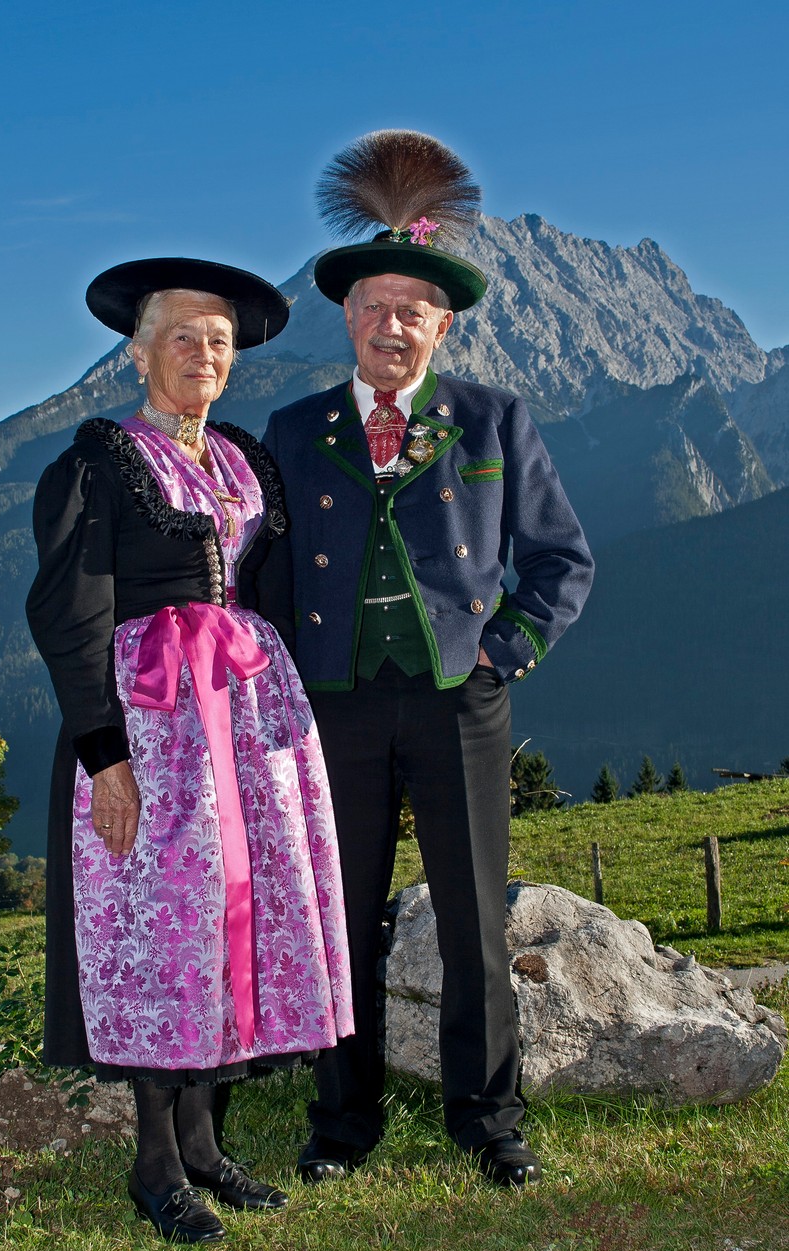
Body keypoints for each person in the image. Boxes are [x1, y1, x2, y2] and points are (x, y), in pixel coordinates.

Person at [257, 132, 595, 1188]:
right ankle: (342, 1120)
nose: (391, 324)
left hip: (460, 700)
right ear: (346, 318)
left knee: (471, 915)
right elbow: (265, 577)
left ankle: (488, 1115)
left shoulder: (493, 418)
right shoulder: (294, 425)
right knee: (340, 916)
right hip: (336, 706)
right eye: (373, 306)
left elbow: (560, 558)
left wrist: (505, 651)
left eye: (413, 309)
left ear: (440, 325)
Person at [26, 257, 353, 1244]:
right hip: (152, 722)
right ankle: (156, 1164)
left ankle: (208, 1144)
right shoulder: (97, 458)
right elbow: (68, 609)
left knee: (232, 920)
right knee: (164, 933)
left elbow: (267, 589)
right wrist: (103, 751)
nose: (204, 352)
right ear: (137, 350)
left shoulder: (243, 458)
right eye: (182, 334)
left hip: (243, 721)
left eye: (218, 339)